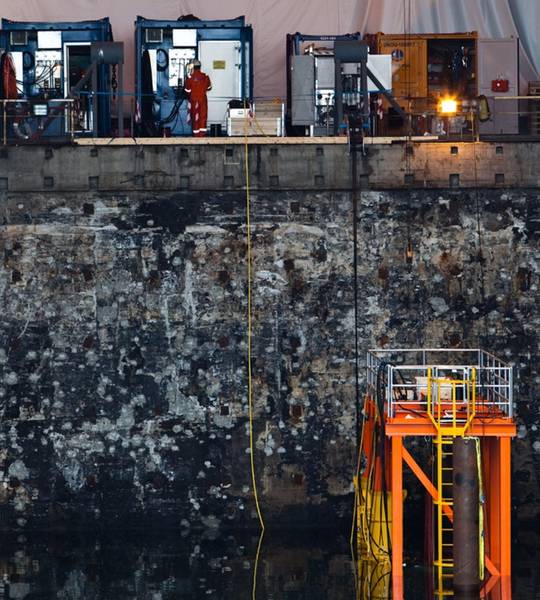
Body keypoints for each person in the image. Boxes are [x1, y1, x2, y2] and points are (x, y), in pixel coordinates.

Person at [185, 59, 212, 137]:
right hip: (203, 100)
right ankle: (202, 135)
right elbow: (209, 87)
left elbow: (187, 90)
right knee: (203, 116)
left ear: (193, 67)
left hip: (193, 100)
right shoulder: (205, 76)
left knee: (195, 117)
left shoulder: (190, 77)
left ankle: (196, 135)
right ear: (200, 67)